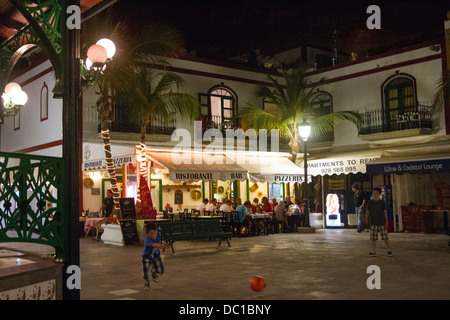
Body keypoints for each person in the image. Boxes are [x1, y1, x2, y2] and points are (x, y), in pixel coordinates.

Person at [365, 187, 392, 257]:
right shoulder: (370, 202)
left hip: (381, 222)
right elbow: (367, 211)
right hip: (373, 222)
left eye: (376, 193)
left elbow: (385, 212)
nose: (374, 194)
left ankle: (389, 250)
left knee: (385, 237)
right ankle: (373, 251)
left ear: (379, 194)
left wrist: (386, 222)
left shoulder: (382, 202)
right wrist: (366, 218)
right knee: (373, 238)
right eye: (373, 193)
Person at [142, 222, 166, 290]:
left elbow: (158, 240)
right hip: (147, 257)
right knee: (145, 272)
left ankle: (154, 272)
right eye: (151, 233)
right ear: (147, 234)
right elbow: (154, 245)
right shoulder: (147, 240)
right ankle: (147, 283)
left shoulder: (158, 235)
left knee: (161, 271)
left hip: (156, 256)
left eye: (155, 232)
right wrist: (162, 246)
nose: (154, 235)